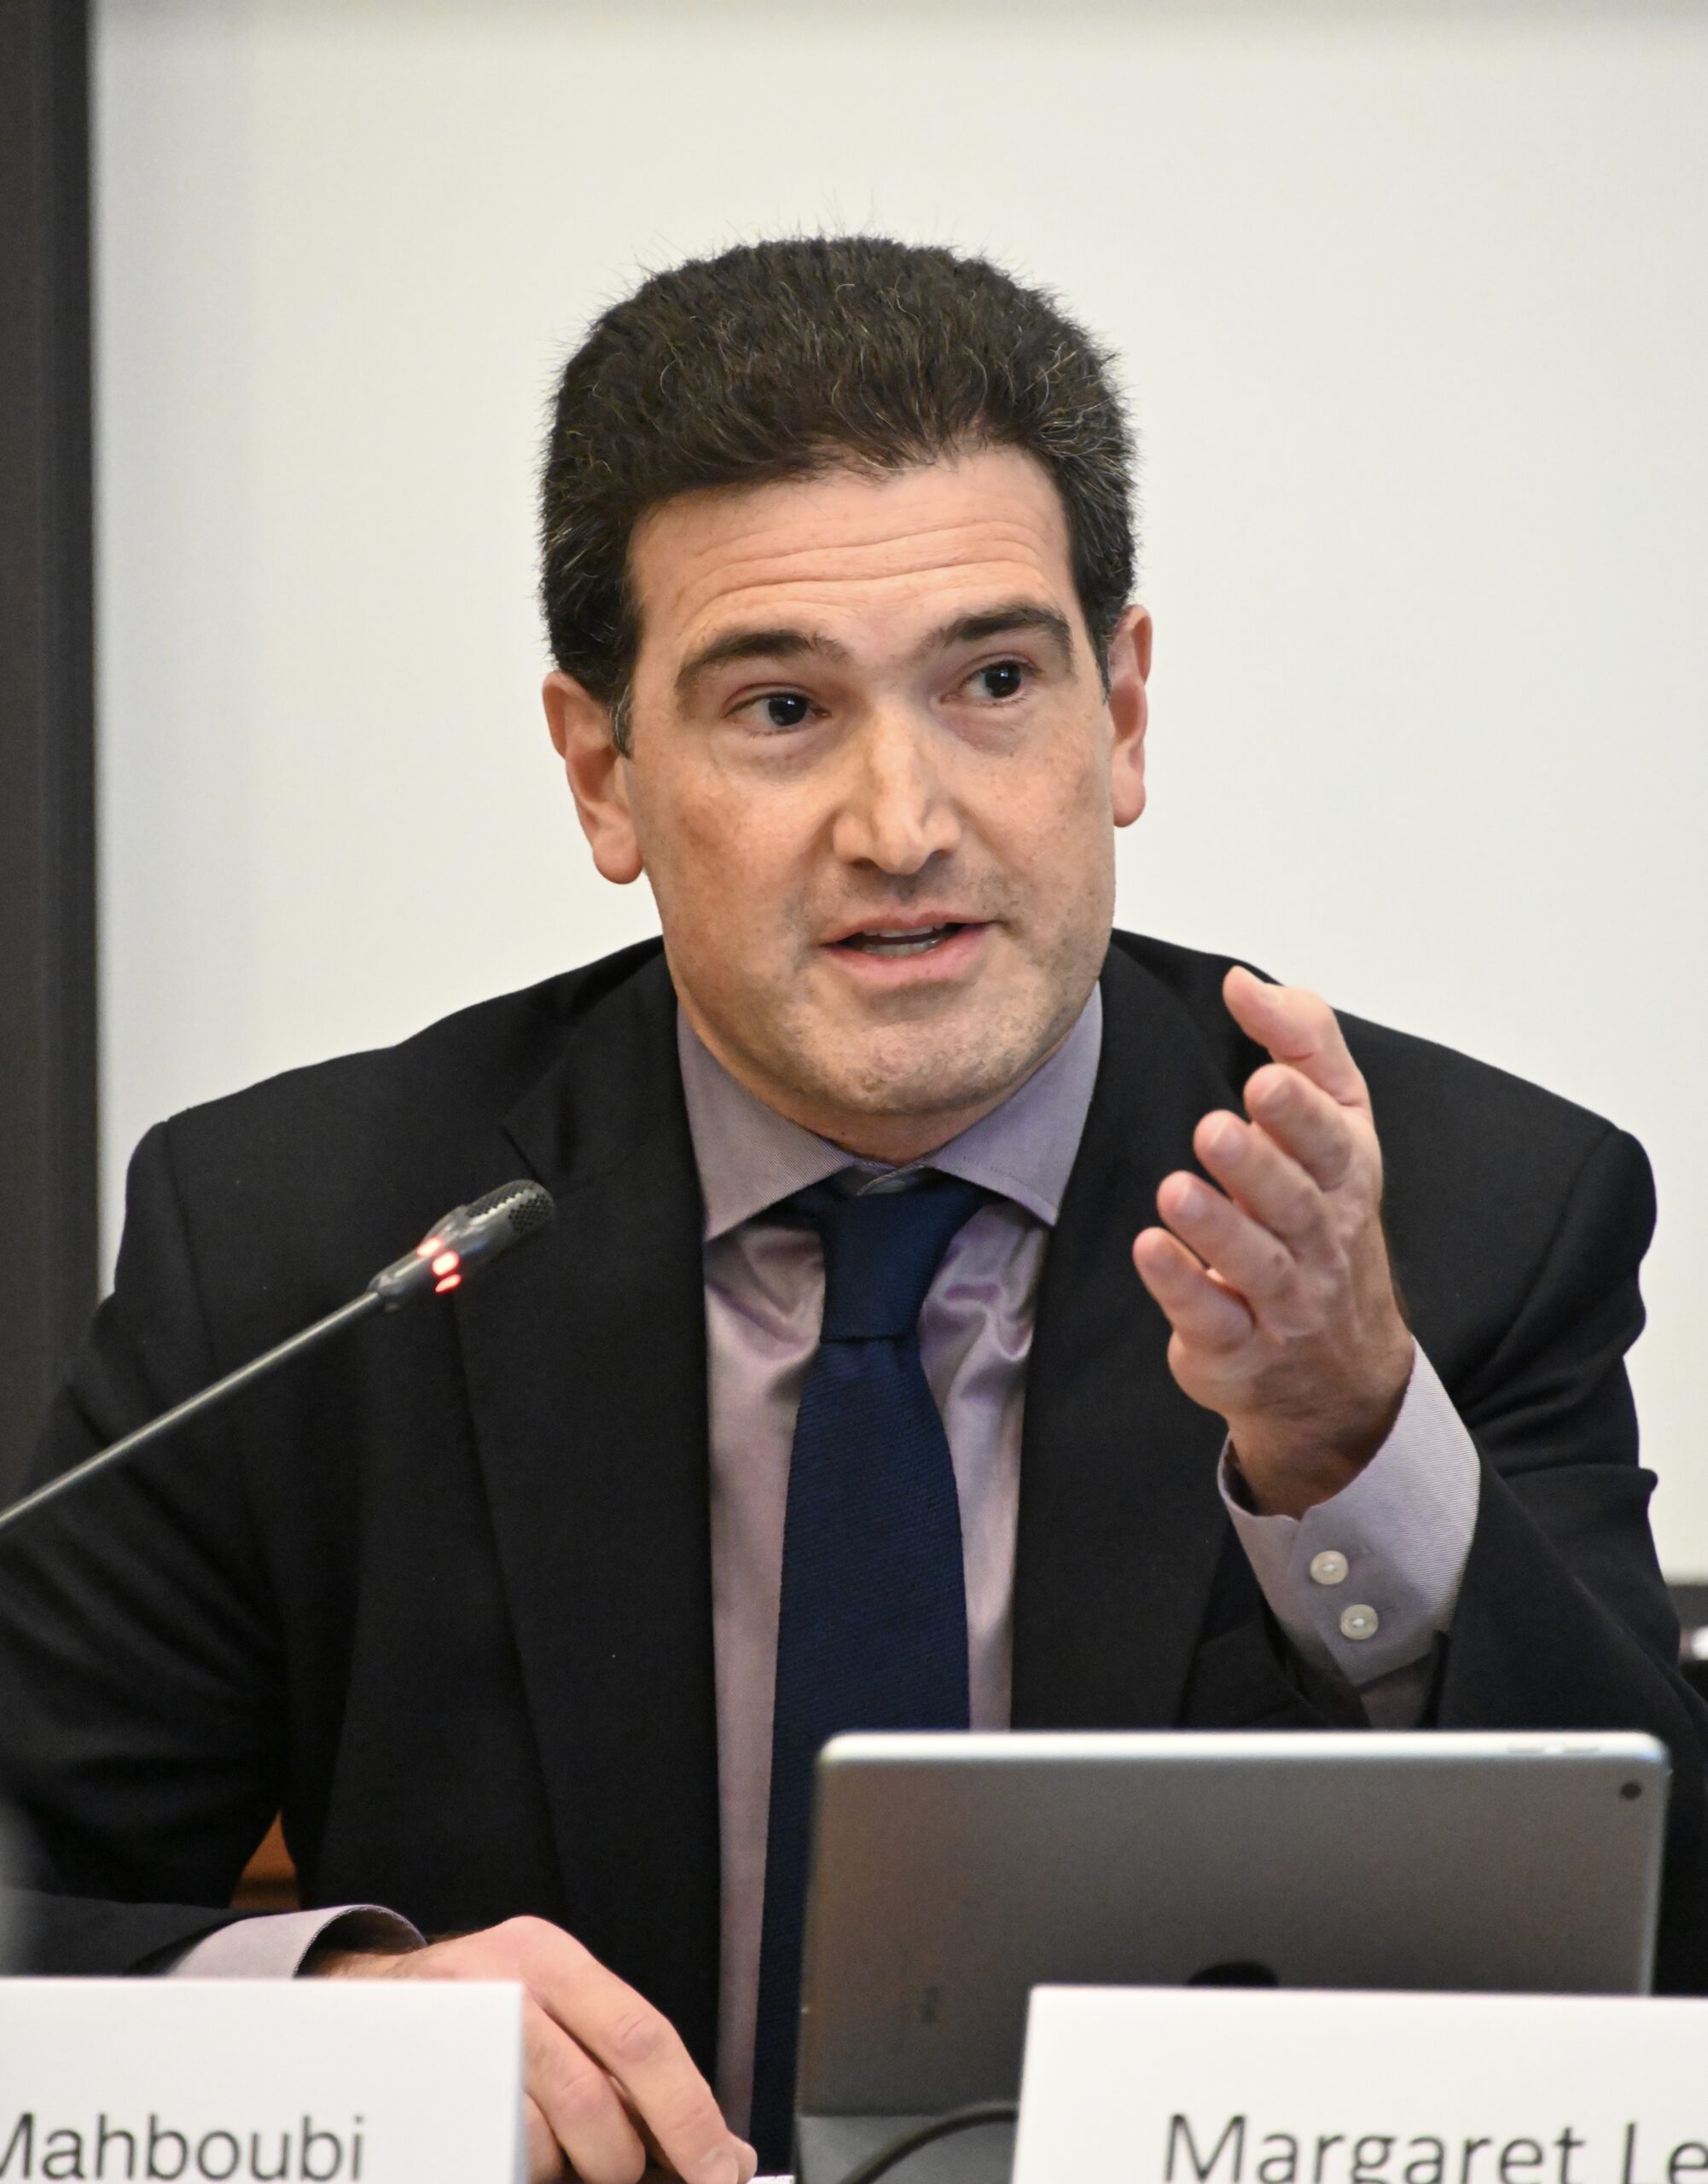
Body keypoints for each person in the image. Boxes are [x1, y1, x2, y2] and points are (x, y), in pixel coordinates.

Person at [1, 236, 1703, 2184]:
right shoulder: (310, 1239)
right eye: (781, 710)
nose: (903, 821)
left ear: (1120, 711)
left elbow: (1667, 1965)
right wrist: (328, 2017)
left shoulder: (1451, 1214)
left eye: (991, 679)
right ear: (601, 770)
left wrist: (1347, 1442)